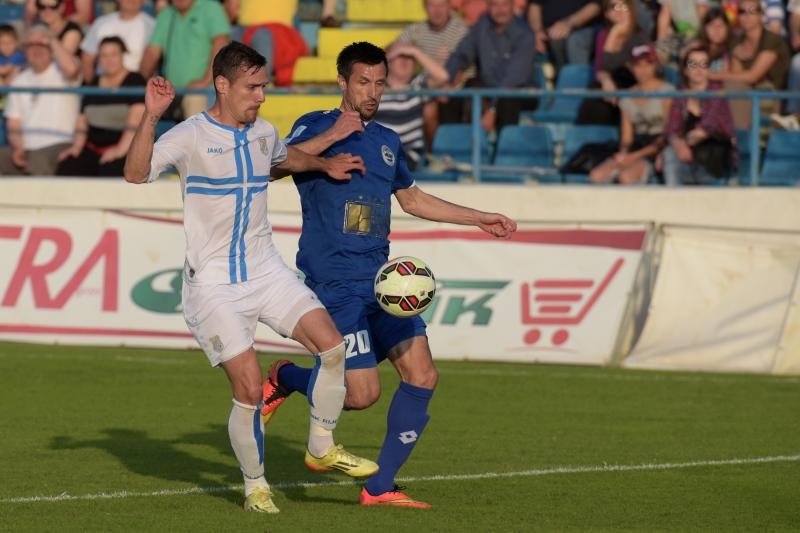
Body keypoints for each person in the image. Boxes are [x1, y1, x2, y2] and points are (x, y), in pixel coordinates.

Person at [123, 41, 377, 513]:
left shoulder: (263, 130)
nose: (261, 96)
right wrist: (152, 116)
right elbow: (136, 174)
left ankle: (321, 447)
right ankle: (255, 485)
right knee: (248, 388)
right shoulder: (190, 135)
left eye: (264, 87)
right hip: (213, 286)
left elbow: (284, 159)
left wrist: (325, 162)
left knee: (332, 346)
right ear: (222, 85)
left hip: (265, 271)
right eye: (252, 87)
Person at [262, 41, 518, 508]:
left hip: (382, 284)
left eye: (380, 83)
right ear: (342, 82)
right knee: (361, 396)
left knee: (423, 374)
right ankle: (286, 376)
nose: (373, 92)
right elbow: (274, 166)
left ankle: (379, 487)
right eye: (363, 82)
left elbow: (413, 199)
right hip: (335, 284)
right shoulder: (315, 125)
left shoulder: (386, 140)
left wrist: (478, 218)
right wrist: (330, 142)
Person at [58, 36, 146, 176]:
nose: (109, 60)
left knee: (111, 171)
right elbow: (82, 120)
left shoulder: (135, 81)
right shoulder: (94, 82)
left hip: (124, 149)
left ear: (122, 55)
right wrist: (76, 147)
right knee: (68, 167)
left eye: (114, 54)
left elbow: (136, 121)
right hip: (92, 149)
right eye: (104, 55)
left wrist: (119, 150)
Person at [445, 0, 538, 133]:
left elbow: (513, 80)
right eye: (495, 5)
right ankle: (452, 143)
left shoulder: (525, 34)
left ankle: (505, 145)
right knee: (449, 100)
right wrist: (448, 79)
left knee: (508, 101)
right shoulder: (482, 26)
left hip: (518, 91)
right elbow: (462, 54)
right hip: (487, 88)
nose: (500, 10)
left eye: (504, 4)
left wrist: (492, 109)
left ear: (513, 6)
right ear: (488, 6)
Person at [0, 25, 80, 175]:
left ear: (51, 47)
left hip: (57, 144)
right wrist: (18, 148)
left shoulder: (62, 72)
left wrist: (51, 39)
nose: (36, 49)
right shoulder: (19, 80)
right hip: (25, 148)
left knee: (38, 162)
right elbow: (13, 122)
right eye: (31, 45)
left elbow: (71, 69)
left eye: (42, 44)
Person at [589, 42, 673, 184]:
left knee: (627, 177)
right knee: (596, 176)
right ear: (631, 68)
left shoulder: (667, 92)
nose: (643, 70)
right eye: (638, 65)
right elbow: (627, 137)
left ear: (655, 66)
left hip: (658, 148)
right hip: (637, 146)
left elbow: (667, 133)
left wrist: (634, 156)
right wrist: (623, 154)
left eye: (648, 64)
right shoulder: (627, 97)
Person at [395, 0, 470, 148]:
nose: (437, 10)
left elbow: (464, 64)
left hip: (459, 88)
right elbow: (394, 48)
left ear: (449, 6)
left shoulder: (461, 30)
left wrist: (449, 85)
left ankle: (441, 151)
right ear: (425, 7)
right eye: (432, 5)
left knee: (437, 106)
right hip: (430, 88)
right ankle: (433, 151)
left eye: (441, 5)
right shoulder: (416, 30)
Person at [139, 0, 230, 120]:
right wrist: (140, 82)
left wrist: (206, 80)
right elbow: (152, 52)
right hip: (171, 92)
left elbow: (222, 45)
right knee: (141, 105)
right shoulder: (166, 14)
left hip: (206, 91)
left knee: (194, 100)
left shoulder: (211, 8)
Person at [707, 0, 789, 130]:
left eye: (752, 11)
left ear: (761, 15)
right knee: (730, 87)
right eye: (742, 11)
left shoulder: (772, 40)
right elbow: (737, 76)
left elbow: (753, 76)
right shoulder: (737, 41)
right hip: (746, 93)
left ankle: (740, 135)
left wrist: (714, 75)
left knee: (736, 88)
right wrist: (735, 58)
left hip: (770, 96)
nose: (746, 16)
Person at [663, 46, 737, 185]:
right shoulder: (680, 94)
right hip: (689, 160)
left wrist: (682, 144)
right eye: (693, 64)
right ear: (685, 70)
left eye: (704, 64)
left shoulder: (717, 93)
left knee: (671, 153)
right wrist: (678, 146)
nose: (699, 69)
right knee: (669, 153)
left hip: (715, 160)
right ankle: (673, 196)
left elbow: (704, 129)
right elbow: (672, 130)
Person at [374, 42, 449, 169]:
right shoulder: (375, 87)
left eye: (410, 57)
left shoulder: (418, 85)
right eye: (400, 56)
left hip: (406, 153)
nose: (405, 61)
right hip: (376, 151)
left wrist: (415, 51)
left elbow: (443, 76)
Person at [576, 0, 650, 125]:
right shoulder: (603, 35)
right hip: (609, 85)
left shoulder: (640, 37)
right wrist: (606, 81)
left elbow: (643, 72)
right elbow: (600, 68)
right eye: (613, 7)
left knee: (606, 101)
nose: (619, 11)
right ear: (606, 14)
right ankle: (587, 134)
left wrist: (615, 33)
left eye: (624, 6)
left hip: (632, 85)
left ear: (631, 11)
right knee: (596, 93)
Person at [80, 0, 155, 83]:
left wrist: (141, 85)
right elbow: (87, 61)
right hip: (102, 85)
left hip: (136, 86)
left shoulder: (153, 26)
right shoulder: (101, 23)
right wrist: (93, 86)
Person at [527, 0, 602, 76]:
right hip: (549, 31)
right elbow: (535, 6)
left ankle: (578, 79)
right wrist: (537, 32)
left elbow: (595, 6)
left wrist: (569, 23)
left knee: (575, 42)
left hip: (583, 27)